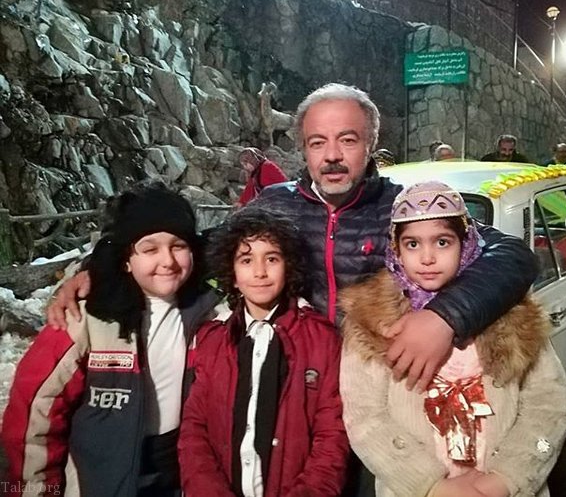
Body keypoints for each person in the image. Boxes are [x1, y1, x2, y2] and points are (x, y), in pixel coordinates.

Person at [47, 84, 538, 496]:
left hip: (388, 402)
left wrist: (444, 317)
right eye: (317, 142)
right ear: (302, 148)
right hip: (297, 400)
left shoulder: (402, 208)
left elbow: (510, 254)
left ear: (371, 144)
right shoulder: (274, 205)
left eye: (347, 140)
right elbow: (197, 249)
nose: (332, 156)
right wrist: (102, 266)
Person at [339, 181, 566, 497]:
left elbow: (549, 402)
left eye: (442, 242)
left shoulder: (510, 311)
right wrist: (430, 485)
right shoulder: (372, 320)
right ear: (395, 248)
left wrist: (507, 478)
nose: (427, 258)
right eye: (412, 244)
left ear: (466, 243)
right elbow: (365, 418)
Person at [2, 182, 219, 497]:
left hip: (177, 471)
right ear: (127, 258)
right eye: (150, 249)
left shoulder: (207, 312)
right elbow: (36, 406)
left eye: (178, 246)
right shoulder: (87, 317)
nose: (167, 261)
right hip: (99, 476)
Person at [178, 207, 349, 496]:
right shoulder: (212, 339)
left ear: (288, 266)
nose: (260, 272)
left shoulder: (321, 339)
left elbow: (332, 435)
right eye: (246, 260)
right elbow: (195, 427)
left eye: (272, 259)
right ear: (232, 273)